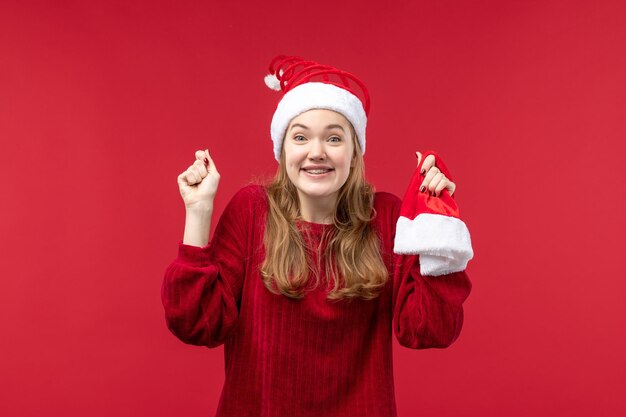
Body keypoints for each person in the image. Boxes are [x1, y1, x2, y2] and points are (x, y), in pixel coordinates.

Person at [161, 55, 474, 417]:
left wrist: (437, 225)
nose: (317, 152)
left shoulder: (385, 217)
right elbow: (197, 325)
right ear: (283, 149)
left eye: (334, 138)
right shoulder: (251, 211)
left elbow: (428, 330)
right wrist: (198, 212)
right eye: (300, 137)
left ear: (355, 153)